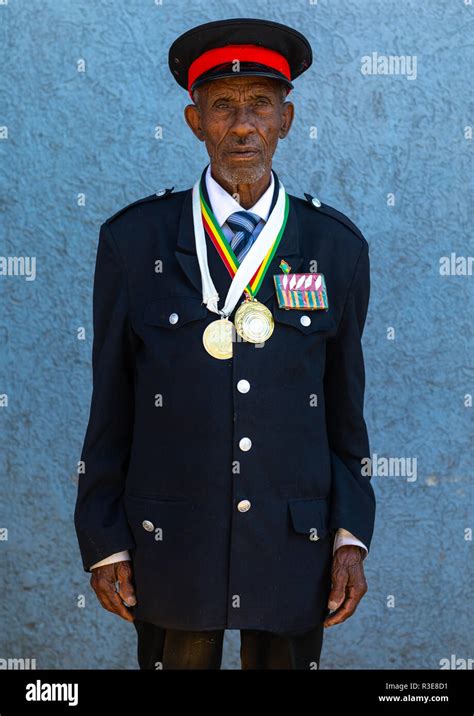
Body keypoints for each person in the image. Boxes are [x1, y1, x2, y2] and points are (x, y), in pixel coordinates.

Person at [74, 17, 376, 670]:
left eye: (260, 106)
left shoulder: (335, 248)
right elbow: (112, 400)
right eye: (224, 108)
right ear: (194, 121)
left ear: (286, 119)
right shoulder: (134, 242)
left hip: (295, 539)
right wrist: (104, 539)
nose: (243, 126)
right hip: (173, 539)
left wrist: (351, 535)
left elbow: (345, 409)